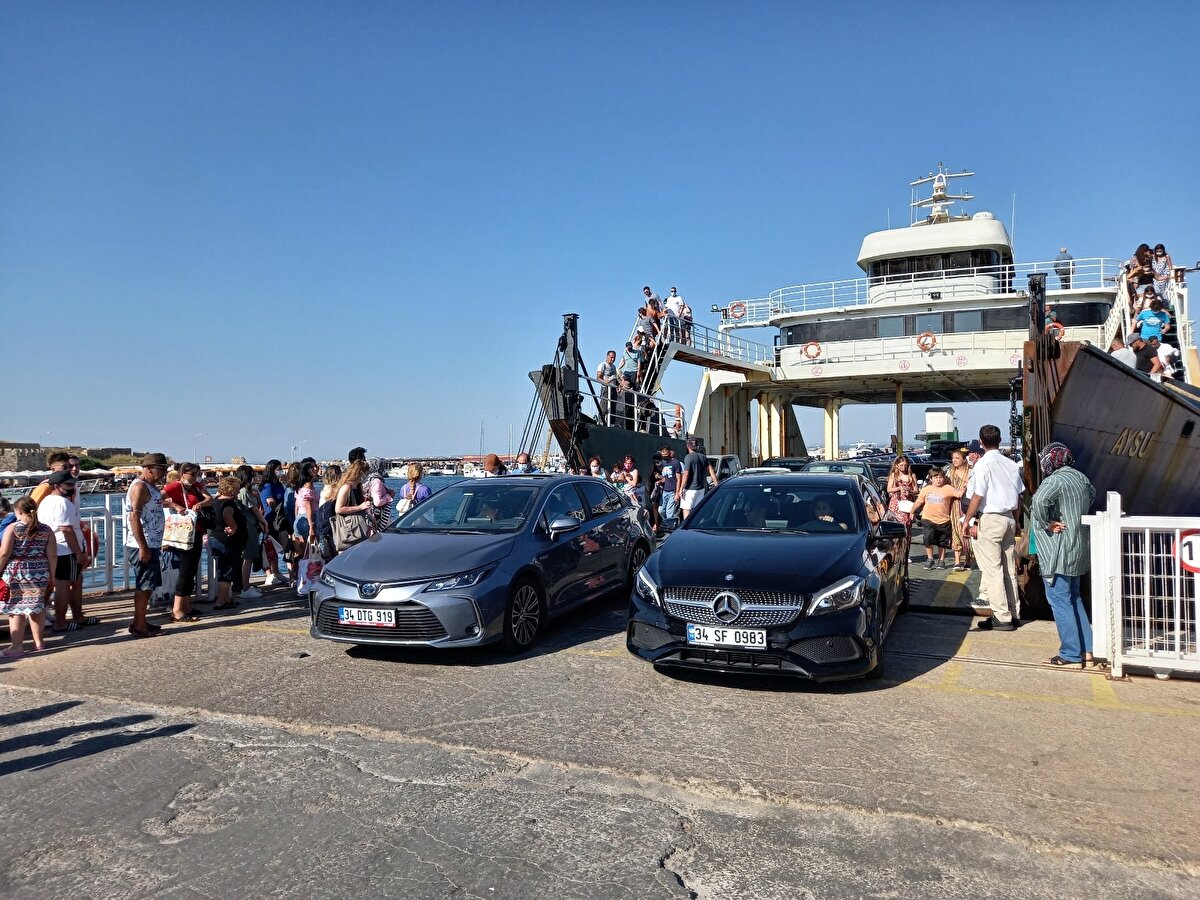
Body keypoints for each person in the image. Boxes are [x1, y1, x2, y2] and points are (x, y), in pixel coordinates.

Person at [1029, 442, 1097, 668]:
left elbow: (1038, 501)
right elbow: (1092, 495)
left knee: (1059, 600)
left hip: (1059, 549)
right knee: (1074, 597)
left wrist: (1047, 522)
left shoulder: (1054, 481)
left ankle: (1070, 653)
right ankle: (1087, 650)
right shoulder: (1081, 478)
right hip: (1078, 547)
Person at [962, 426, 1024, 631]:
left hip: (990, 518)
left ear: (981, 442)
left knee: (993, 570)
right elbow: (1019, 496)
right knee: (1009, 568)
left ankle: (1001, 616)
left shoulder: (982, 465)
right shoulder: (1011, 464)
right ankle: (1014, 612)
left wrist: (968, 520)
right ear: (1000, 439)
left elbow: (977, 495)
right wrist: (1016, 522)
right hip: (1009, 517)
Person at [36, 469, 99, 632]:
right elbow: (66, 530)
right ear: (57, 486)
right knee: (64, 585)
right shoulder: (62, 503)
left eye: (73, 483)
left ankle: (78, 616)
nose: (72, 487)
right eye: (69, 484)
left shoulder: (46, 501)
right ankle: (61, 622)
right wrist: (79, 553)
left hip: (55, 549)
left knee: (76, 581)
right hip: (65, 550)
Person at [0, 497, 54, 657]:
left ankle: (17, 646)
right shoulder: (46, 529)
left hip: (17, 573)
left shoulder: (13, 528)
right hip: (40, 572)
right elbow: (52, 555)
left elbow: (4, 553)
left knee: (16, 609)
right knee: (37, 607)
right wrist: (52, 576)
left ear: (18, 511)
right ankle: (39, 642)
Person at [124, 453, 170, 638]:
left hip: (152, 543)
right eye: (161, 469)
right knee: (144, 585)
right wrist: (143, 546)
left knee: (148, 585)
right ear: (149, 468)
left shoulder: (150, 486)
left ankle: (140, 621)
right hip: (144, 544)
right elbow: (134, 516)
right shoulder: (140, 487)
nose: (164, 472)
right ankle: (140, 625)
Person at [161, 462, 212, 622]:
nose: (196, 477)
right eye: (192, 474)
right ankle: (177, 609)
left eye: (197, 474)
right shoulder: (176, 486)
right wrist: (175, 505)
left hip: (196, 531)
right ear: (183, 474)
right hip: (184, 533)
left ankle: (186, 605)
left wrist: (200, 504)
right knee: (185, 570)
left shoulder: (196, 486)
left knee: (191, 570)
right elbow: (157, 498)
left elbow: (210, 499)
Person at [208, 476, 247, 610]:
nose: (238, 491)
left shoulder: (216, 501)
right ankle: (220, 601)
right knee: (228, 570)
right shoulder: (228, 504)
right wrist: (234, 527)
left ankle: (226, 599)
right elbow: (227, 515)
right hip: (227, 541)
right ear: (231, 490)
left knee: (223, 569)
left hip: (216, 538)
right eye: (237, 489)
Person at [911, 468, 960, 569]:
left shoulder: (947, 488)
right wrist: (912, 511)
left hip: (943, 520)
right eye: (935, 477)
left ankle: (941, 561)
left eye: (940, 477)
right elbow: (919, 501)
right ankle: (930, 558)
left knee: (942, 542)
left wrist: (965, 486)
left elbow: (959, 494)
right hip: (928, 519)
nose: (938, 480)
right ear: (931, 478)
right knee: (928, 539)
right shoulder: (926, 489)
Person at [235, 465, 267, 599]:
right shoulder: (243, 492)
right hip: (248, 526)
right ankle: (245, 587)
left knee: (248, 557)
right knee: (248, 557)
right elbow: (254, 509)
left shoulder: (248, 491)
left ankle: (245, 584)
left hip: (250, 525)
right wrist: (264, 522)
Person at [946, 449, 973, 571]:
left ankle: (968, 559)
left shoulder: (971, 472)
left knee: (966, 530)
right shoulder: (949, 472)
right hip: (953, 504)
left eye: (957, 458)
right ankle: (957, 560)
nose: (954, 460)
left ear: (963, 459)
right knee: (955, 530)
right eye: (953, 458)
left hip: (967, 504)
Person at [678, 438, 717, 519]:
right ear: (697, 446)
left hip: (689, 489)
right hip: (701, 489)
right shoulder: (703, 457)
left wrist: (681, 488)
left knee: (686, 509)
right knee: (697, 511)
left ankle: (687, 527)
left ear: (688, 446)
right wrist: (717, 485)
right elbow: (711, 471)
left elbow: (686, 474)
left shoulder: (688, 457)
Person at [885, 455, 918, 547]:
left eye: (905, 465)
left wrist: (910, 491)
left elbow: (916, 490)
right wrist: (899, 488)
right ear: (897, 465)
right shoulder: (894, 476)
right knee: (897, 526)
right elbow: (889, 489)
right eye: (901, 465)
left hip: (908, 504)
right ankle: (896, 547)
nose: (904, 467)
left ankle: (905, 548)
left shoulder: (911, 476)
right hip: (897, 503)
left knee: (907, 525)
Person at [363, 457, 395, 530]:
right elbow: (377, 502)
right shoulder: (377, 481)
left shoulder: (367, 480)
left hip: (369, 516)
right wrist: (389, 496)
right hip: (379, 517)